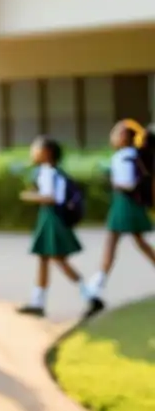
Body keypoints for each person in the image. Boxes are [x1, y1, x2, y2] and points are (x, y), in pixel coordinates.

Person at [17, 136, 102, 318]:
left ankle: (90, 296)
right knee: (44, 259)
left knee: (58, 259)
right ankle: (38, 302)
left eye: (36, 149)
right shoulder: (47, 172)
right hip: (49, 218)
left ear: (47, 153)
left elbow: (51, 197)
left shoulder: (49, 172)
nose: (33, 152)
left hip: (52, 219)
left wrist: (30, 197)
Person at [88, 119, 155, 301]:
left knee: (112, 241)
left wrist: (113, 181)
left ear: (124, 137)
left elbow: (127, 183)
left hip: (124, 203)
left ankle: (99, 281)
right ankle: (99, 280)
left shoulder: (122, 156)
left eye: (116, 133)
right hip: (131, 203)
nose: (113, 137)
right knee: (140, 242)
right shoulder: (136, 155)